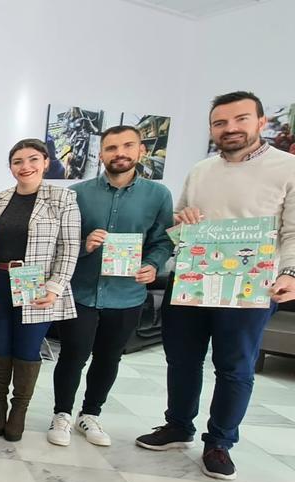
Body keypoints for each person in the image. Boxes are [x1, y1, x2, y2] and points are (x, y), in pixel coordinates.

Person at [136, 91, 295, 480]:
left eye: (240, 119)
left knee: (235, 367)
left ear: (260, 122)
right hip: (192, 281)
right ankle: (178, 425)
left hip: (248, 288)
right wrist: (181, 219)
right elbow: (176, 227)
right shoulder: (201, 170)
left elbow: (292, 231)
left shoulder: (287, 168)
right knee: (182, 359)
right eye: (220, 122)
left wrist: (290, 272)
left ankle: (220, 442)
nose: (230, 128)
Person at [48, 125, 174, 447]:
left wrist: (153, 265)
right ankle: (61, 414)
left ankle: (90, 414)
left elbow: (161, 242)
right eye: (112, 148)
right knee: (73, 356)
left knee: (109, 358)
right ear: (101, 153)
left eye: (127, 146)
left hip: (126, 294)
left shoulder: (158, 195)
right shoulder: (76, 193)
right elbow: (60, 241)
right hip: (81, 292)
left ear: (140, 150)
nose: (120, 153)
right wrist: (83, 242)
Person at [0, 139, 80, 441]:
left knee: (27, 349)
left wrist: (55, 286)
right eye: (17, 161)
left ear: (46, 161)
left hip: (36, 284)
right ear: (10, 166)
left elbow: (69, 247)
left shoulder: (62, 197)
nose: (25, 166)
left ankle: (19, 410)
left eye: (32, 159)